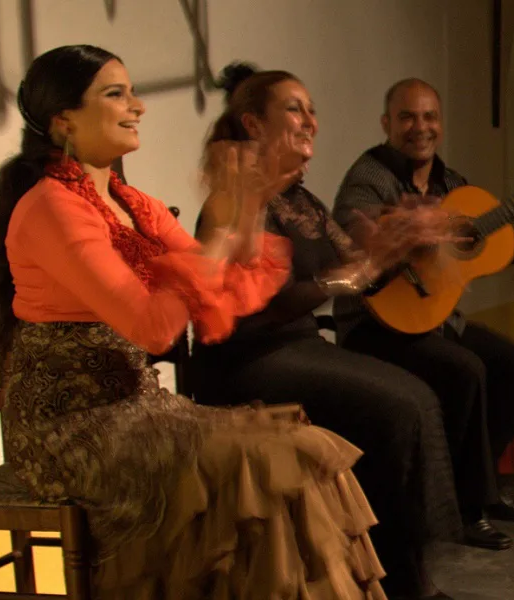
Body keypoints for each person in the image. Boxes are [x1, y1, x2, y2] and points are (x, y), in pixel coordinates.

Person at [0, 44, 388, 599]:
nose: (137, 106)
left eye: (131, 91)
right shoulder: (52, 207)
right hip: (70, 428)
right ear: (64, 120)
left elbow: (225, 298)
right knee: (263, 463)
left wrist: (244, 207)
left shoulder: (132, 203)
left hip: (135, 405)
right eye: (115, 94)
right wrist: (220, 233)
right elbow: (155, 328)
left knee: (302, 447)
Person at [191, 63, 464, 600]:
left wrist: (400, 241)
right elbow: (265, 305)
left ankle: (404, 571)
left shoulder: (304, 204)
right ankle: (406, 583)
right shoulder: (235, 201)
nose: (310, 120)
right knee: (399, 407)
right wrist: (355, 270)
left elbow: (360, 269)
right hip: (248, 358)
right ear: (253, 124)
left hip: (297, 348)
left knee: (416, 395)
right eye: (294, 108)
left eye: (312, 109)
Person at [331, 78, 514, 551]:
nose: (420, 127)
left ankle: (480, 488)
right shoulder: (369, 175)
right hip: (374, 322)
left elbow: (489, 248)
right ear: (386, 124)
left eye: (429, 117)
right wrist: (411, 234)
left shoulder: (452, 185)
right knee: (466, 370)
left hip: (434, 320)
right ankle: (465, 511)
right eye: (407, 117)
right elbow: (359, 232)